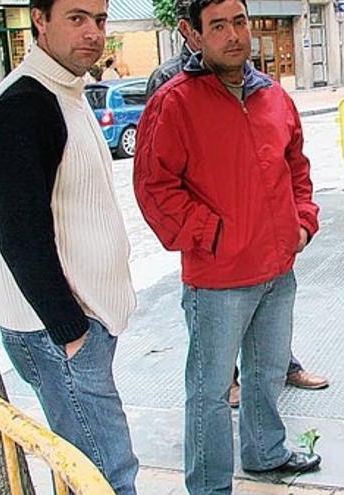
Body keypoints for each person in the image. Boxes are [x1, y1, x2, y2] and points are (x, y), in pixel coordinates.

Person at [134, 0, 322, 490]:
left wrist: (301, 222)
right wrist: (213, 236)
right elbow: (155, 188)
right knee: (210, 392)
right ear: (192, 35)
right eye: (217, 25)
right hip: (218, 280)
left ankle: (265, 452)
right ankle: (210, 486)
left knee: (266, 374)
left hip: (278, 271)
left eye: (238, 22)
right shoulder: (175, 101)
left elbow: (296, 168)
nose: (233, 35)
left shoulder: (274, 96)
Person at [0, 0, 139, 492]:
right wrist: (71, 331)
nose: (93, 32)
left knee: (95, 473)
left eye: (101, 20)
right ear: (39, 21)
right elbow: (21, 238)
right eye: (77, 18)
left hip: (76, 326)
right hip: (57, 330)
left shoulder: (65, 90)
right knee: (107, 477)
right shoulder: (26, 103)